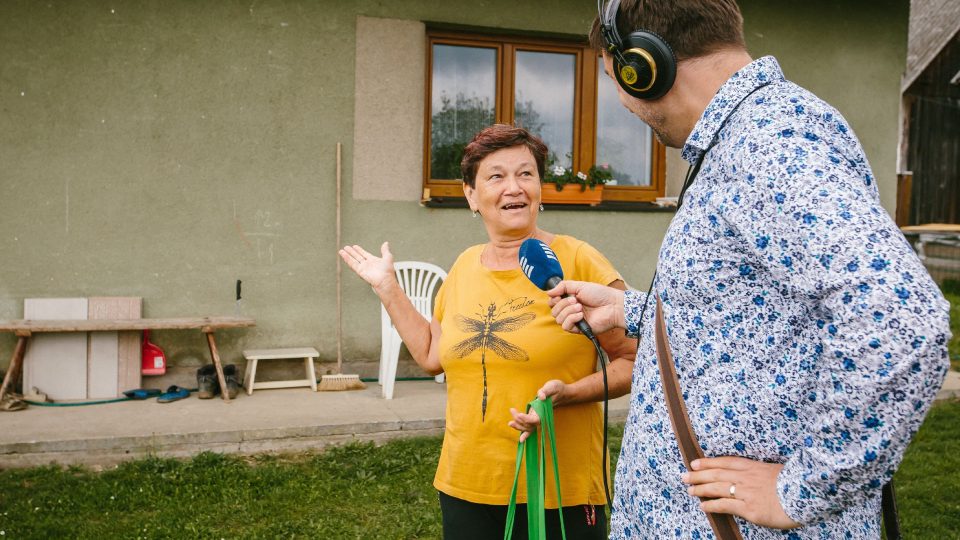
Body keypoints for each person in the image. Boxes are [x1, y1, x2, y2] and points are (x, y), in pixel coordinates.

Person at [544, 1, 952, 538]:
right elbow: (759, 314)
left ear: (644, 65)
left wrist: (805, 488)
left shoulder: (768, 144)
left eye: (616, 77)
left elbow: (901, 322)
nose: (621, 99)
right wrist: (631, 309)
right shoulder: (748, 138)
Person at [339, 124, 637, 539]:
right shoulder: (464, 266)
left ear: (540, 188)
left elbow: (634, 362)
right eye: (496, 176)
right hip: (468, 483)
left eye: (525, 173)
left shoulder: (579, 260)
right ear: (471, 196)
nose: (513, 187)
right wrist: (388, 288)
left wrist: (569, 395)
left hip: (558, 489)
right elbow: (430, 356)